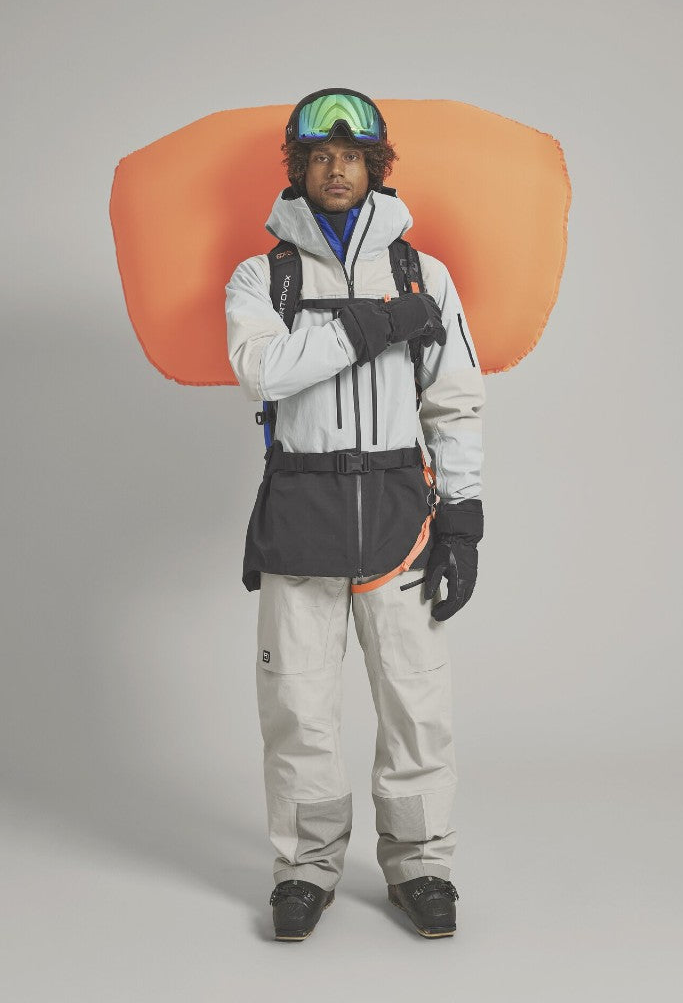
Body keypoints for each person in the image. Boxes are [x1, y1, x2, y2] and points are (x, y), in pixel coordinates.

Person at [225, 88, 485, 941]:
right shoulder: (264, 278)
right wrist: (373, 326)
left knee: (417, 705)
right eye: (319, 156)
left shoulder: (424, 276)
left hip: (402, 525)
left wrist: (462, 521)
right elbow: (264, 371)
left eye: (351, 156)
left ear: (375, 166)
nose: (336, 169)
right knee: (297, 710)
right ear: (299, 167)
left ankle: (421, 865)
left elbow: (454, 404)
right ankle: (305, 869)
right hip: (301, 518)